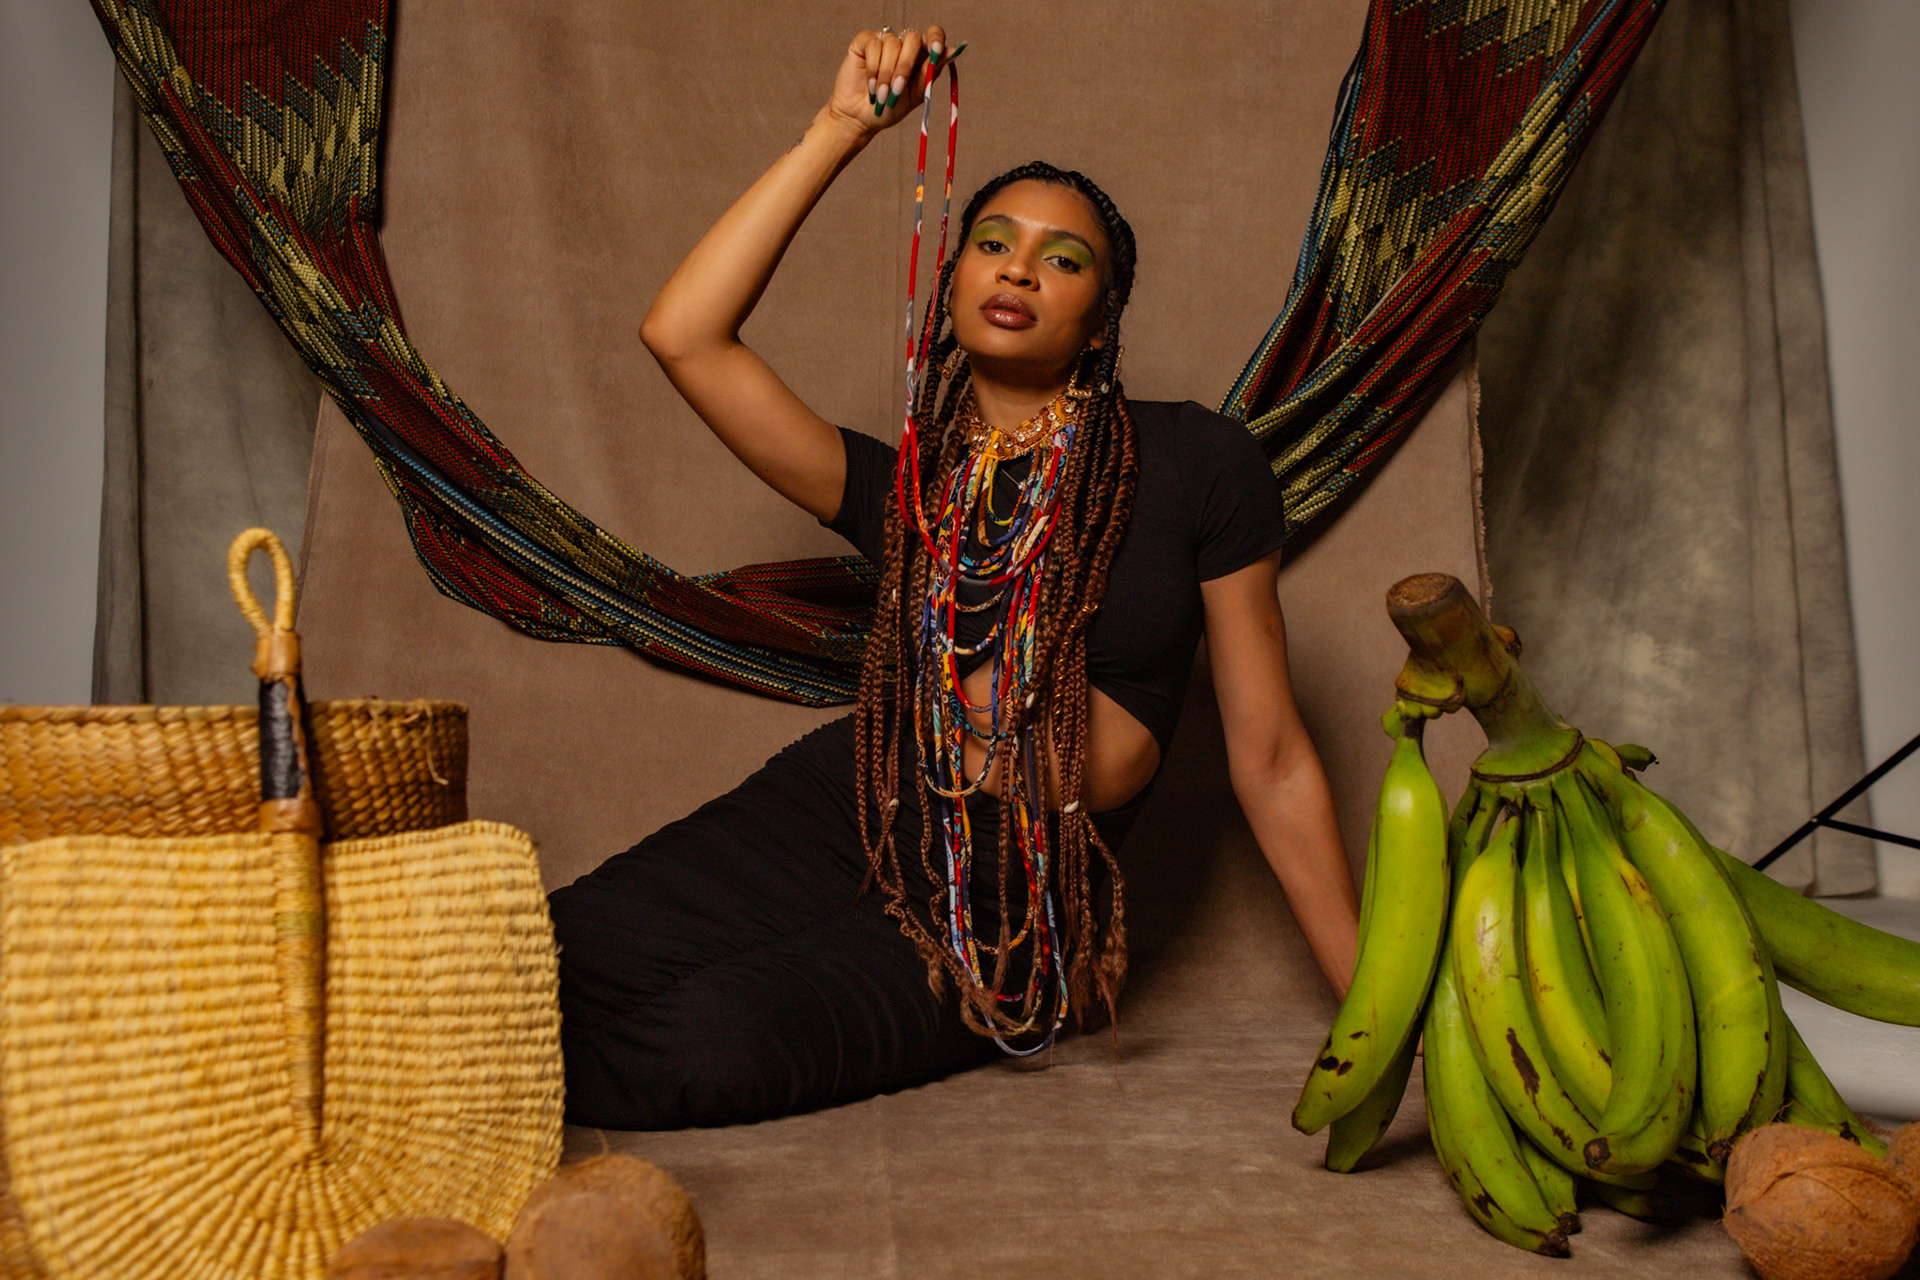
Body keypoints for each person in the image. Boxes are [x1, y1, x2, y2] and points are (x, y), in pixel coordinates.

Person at [547, 25, 1359, 1131]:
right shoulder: (908, 486)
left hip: (1009, 900)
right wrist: (839, 129)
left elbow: (1271, 759)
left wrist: (1374, 1007)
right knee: (549, 958)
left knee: (698, 1043)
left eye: (1063, 259)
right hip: (847, 808)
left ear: (1100, 321)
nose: (1019, 267)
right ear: (956, 279)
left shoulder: (1195, 463)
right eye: (993, 242)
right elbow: (683, 334)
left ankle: (485, 1090)